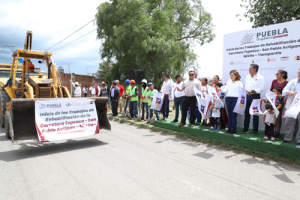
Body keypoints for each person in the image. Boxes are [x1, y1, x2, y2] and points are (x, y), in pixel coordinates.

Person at [242, 64, 264, 135]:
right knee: (247, 114)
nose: (249, 69)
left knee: (255, 114)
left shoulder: (260, 77)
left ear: (255, 69)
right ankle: (245, 128)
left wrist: (252, 91)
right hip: (247, 96)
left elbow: (260, 89)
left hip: (255, 96)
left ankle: (255, 130)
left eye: (250, 68)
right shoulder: (247, 76)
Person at [220, 70, 243, 134]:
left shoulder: (239, 83)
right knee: (229, 114)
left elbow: (241, 92)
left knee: (234, 114)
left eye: (232, 75)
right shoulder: (229, 82)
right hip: (228, 98)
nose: (231, 76)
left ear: (236, 76)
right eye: (230, 75)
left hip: (235, 98)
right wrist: (220, 89)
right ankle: (229, 128)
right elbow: (225, 90)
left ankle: (233, 129)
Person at [281, 69, 300, 146]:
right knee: (289, 123)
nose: (299, 74)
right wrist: (289, 92)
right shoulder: (293, 81)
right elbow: (284, 91)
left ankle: (299, 140)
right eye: (298, 73)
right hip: (292, 105)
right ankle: (288, 138)